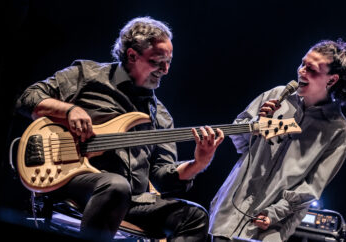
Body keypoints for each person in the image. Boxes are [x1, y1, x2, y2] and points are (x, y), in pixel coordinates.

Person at [16, 16, 224, 241]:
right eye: (157, 61)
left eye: (169, 61)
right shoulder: (88, 75)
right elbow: (28, 98)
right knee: (116, 186)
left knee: (195, 216)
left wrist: (198, 164)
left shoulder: (161, 115)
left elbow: (162, 178)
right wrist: (68, 110)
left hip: (131, 200)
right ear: (132, 55)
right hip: (72, 180)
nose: (165, 70)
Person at [209, 39, 346, 242]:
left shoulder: (337, 130)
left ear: (331, 80)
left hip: (271, 223)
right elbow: (239, 141)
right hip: (231, 206)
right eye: (302, 63)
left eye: (310, 69)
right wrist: (257, 124)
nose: (301, 71)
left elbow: (313, 186)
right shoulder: (277, 96)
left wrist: (275, 212)